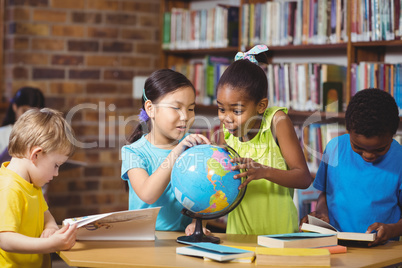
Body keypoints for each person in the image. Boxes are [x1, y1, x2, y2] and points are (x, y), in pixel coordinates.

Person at [216, 45, 312, 235]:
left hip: (279, 235)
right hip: (237, 235)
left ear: (261, 106)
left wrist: (264, 171)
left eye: (236, 111)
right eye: (221, 109)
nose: (227, 118)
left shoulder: (277, 122)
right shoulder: (227, 131)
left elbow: (303, 178)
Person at [300, 88, 402, 247]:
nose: (368, 155)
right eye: (358, 147)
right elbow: (325, 194)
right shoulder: (334, 148)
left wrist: (392, 229)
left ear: (393, 135)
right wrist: (321, 214)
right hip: (336, 245)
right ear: (348, 130)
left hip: (383, 249)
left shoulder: (399, 158)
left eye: (379, 149)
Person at [121, 69, 211, 235]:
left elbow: (202, 193)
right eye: (176, 108)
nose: (185, 116)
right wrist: (176, 152)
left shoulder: (193, 147)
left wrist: (197, 222)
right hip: (143, 239)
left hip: (181, 239)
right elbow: (148, 194)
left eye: (191, 109)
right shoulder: (133, 152)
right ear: (151, 109)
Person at [0, 108, 78, 267]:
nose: (56, 173)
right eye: (56, 165)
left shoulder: (31, 183)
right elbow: (5, 238)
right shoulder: (9, 187)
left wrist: (50, 227)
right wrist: (51, 245)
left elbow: (45, 212)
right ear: (35, 155)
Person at [0, 87, 45, 163]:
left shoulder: (42, 135)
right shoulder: (2, 134)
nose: (28, 116)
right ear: (15, 107)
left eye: (34, 112)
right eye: (24, 111)